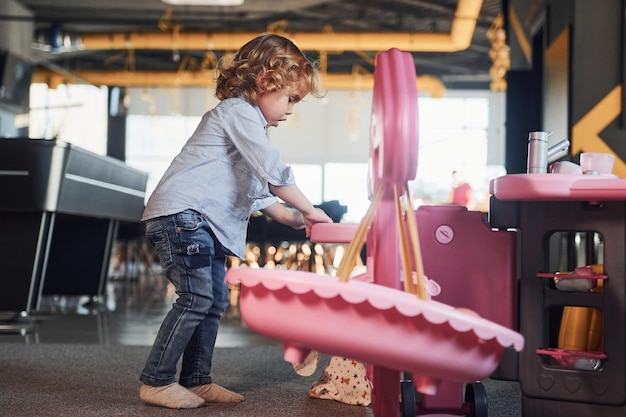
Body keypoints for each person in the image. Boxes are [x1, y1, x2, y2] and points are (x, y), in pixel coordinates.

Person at [138, 33, 333, 409]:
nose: (291, 109)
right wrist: (309, 208)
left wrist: (289, 216)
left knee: (211, 302)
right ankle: (156, 380)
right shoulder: (239, 113)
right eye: (290, 98)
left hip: (201, 222)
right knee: (195, 297)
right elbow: (272, 171)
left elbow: (254, 187)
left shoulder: (246, 125)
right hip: (182, 216)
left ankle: (197, 380)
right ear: (265, 82)